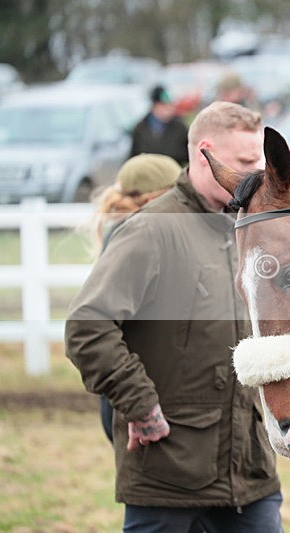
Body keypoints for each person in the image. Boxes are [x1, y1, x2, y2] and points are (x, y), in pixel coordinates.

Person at [65, 101, 283, 532]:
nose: (256, 173)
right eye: (243, 162)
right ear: (205, 152)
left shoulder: (250, 229)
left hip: (250, 474)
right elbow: (87, 327)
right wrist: (140, 406)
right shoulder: (151, 231)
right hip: (169, 473)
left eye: (258, 161)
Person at [86, 153, 182, 443]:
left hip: (129, 391)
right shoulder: (137, 238)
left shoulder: (127, 234)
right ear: (157, 196)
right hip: (144, 392)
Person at [130, 85, 189, 165]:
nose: (168, 109)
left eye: (170, 105)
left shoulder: (180, 128)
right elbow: (133, 158)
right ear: (154, 105)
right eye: (163, 105)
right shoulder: (140, 129)